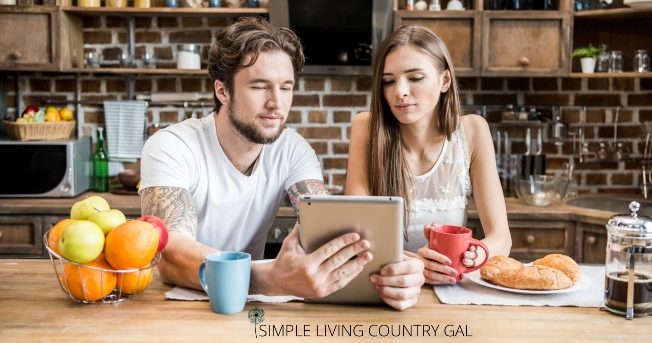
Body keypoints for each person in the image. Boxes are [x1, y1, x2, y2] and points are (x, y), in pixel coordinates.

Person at [139, 17, 423, 310]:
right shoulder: (172, 146)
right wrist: (270, 279)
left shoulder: (293, 149)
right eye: (260, 87)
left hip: (250, 309)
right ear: (222, 91)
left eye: (286, 88)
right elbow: (169, 252)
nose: (277, 103)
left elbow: (325, 228)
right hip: (175, 307)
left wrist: (392, 272)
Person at [344, 25, 512, 285]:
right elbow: (357, 235)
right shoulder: (366, 128)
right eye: (388, 81)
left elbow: (501, 237)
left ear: (445, 80)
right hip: (385, 287)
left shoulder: (473, 131)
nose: (399, 91)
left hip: (449, 291)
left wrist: (479, 253)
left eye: (415, 78)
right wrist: (416, 266)